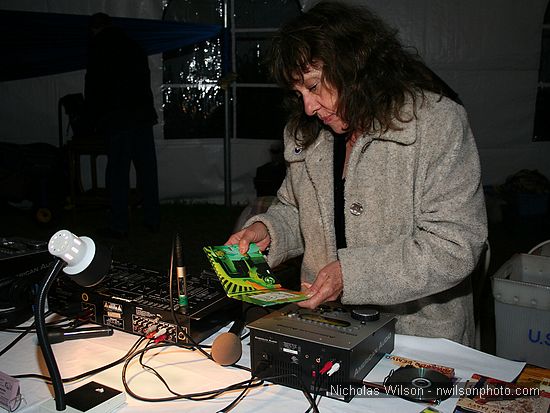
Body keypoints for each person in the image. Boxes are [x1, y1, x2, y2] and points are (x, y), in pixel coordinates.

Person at [225, 1, 487, 346]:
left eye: (314, 86)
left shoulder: (437, 124)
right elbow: (295, 209)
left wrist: (350, 275)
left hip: (419, 337)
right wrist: (268, 231)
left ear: (354, 66)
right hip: (325, 326)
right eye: (298, 93)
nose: (308, 107)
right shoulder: (306, 133)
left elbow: (454, 245)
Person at [85, 12, 160, 237]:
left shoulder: (99, 47)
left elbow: (94, 88)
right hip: (142, 117)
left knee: (118, 173)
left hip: (118, 119)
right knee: (147, 171)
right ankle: (152, 219)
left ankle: (119, 225)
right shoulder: (134, 45)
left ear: (94, 29)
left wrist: (92, 120)